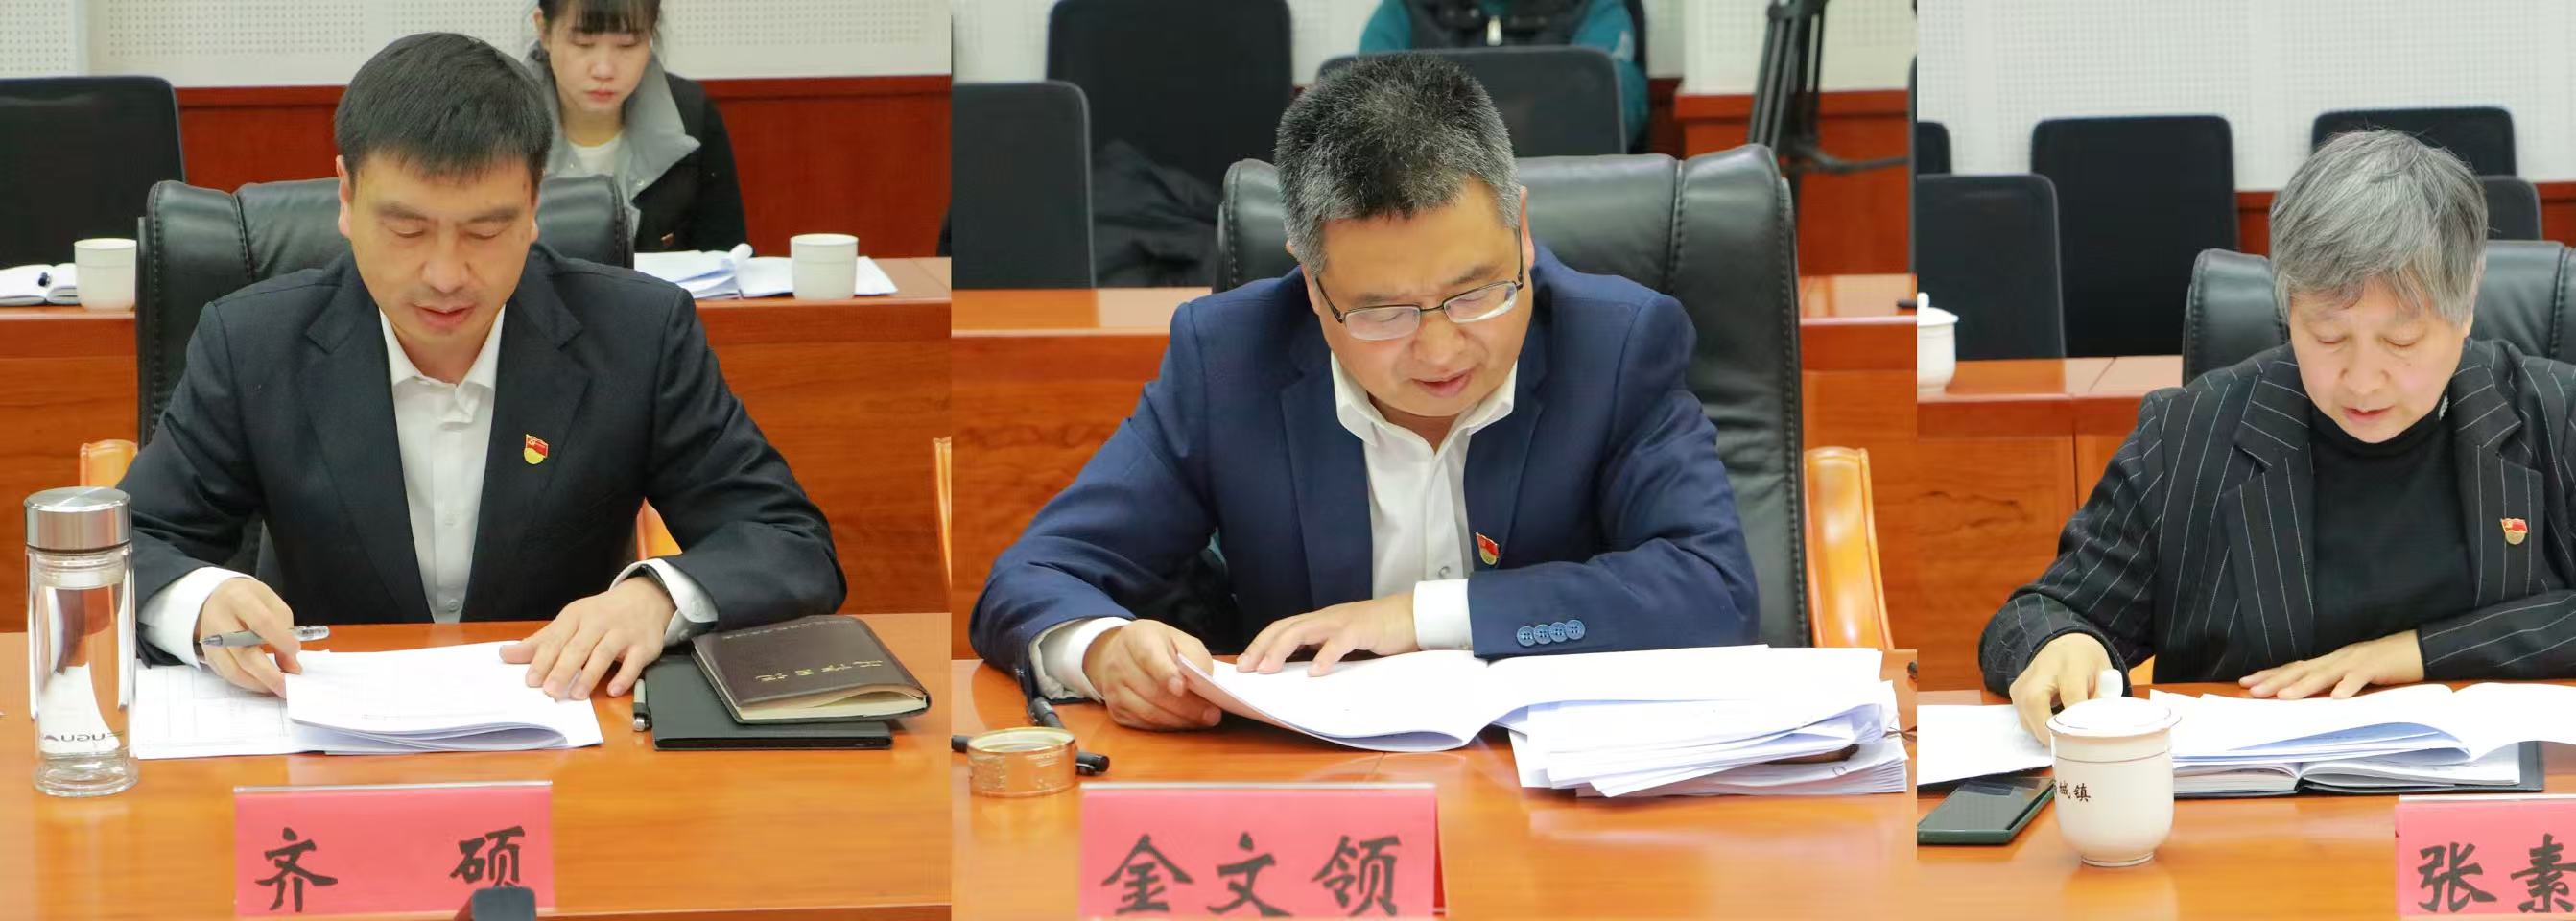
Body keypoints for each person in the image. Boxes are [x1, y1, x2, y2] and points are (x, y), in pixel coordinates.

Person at [970, 54, 1756, 731]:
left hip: (1560, 791)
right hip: (1321, 795)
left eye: (1476, 292)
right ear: (1312, 283)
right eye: (1384, 313)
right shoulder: (1230, 360)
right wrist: (1102, 651)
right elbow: (1033, 575)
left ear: (1520, 230)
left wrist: (1421, 618)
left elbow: (1713, 589)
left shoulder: (1616, 346)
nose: (1441, 350)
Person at [118, 33, 842, 701]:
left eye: (486, 231)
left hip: (566, 727)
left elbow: (788, 541)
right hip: (324, 731)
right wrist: (198, 601)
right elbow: (133, 544)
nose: (445, 275)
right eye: (407, 229)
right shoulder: (254, 343)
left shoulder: (638, 336)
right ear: (346, 197)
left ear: (534, 204)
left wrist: (655, 597)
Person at [1981, 130, 2576, 744]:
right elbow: (2037, 615)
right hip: (2260, 829)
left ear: (2465, 309)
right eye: (2328, 336)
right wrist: (2063, 642)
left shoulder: (2548, 412)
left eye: (2402, 341)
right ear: (2288, 309)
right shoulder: (2189, 434)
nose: (2363, 381)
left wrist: (2416, 654)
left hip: (2483, 816)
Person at [528, 0, 747, 251]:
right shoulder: (499, 118)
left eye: (627, 45)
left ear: (650, 34)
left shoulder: (691, 115)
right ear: (544, 31)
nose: (604, 70)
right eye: (583, 43)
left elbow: (728, 256)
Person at [1359, 0, 1648, 142]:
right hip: (1429, 196)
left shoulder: (1596, 6)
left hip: (1566, 193)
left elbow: (1609, 109)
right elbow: (1363, 110)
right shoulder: (1405, 9)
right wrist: (1528, 113)